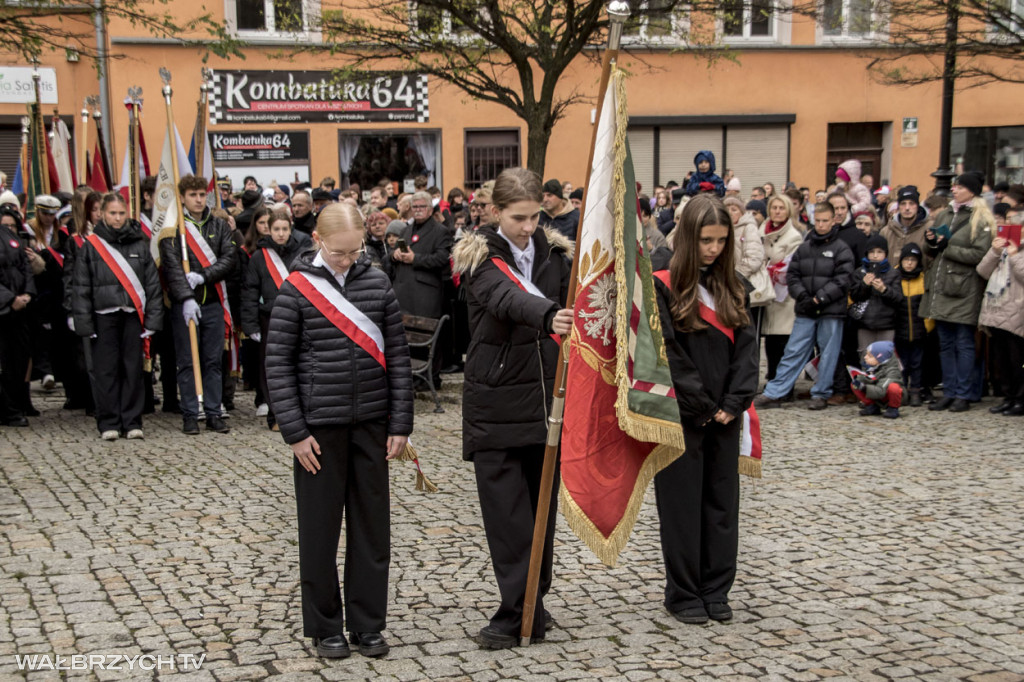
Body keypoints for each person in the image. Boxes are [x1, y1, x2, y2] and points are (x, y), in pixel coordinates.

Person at [265, 202, 412, 660]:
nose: (350, 259)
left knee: (372, 532)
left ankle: (368, 624)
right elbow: (277, 366)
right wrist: (293, 431)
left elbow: (400, 360)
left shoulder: (377, 281)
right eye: (341, 252)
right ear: (318, 242)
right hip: (318, 431)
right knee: (319, 531)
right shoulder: (295, 290)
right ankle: (325, 625)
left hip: (371, 424)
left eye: (357, 250)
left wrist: (401, 424)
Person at [451, 167, 572, 648]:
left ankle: (530, 606)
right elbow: (507, 299)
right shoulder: (478, 258)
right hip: (497, 403)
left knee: (541, 511)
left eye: (535, 216)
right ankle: (515, 611)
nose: (528, 227)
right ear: (495, 211)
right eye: (518, 217)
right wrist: (549, 314)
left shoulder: (558, 256)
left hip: (548, 404)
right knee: (508, 520)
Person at [651, 194, 757, 625]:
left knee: (721, 505)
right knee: (681, 507)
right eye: (706, 240)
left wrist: (733, 403)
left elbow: (749, 352)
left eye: (720, 240)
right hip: (681, 413)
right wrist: (700, 403)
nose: (713, 248)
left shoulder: (736, 286)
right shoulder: (660, 284)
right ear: (688, 237)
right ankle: (683, 592)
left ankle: (717, 589)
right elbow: (665, 353)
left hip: (726, 415)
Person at [70, 193, 162, 440]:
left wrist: (152, 320)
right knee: (106, 370)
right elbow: (80, 286)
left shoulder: (139, 244)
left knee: (133, 370)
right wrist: (83, 323)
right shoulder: (92, 245)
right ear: (102, 214)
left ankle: (132, 421)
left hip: (133, 316)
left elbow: (152, 285)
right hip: (103, 316)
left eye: (121, 213)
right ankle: (109, 421)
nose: (117, 218)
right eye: (112, 213)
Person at [754, 202, 855, 410]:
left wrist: (820, 298)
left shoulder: (841, 248)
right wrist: (802, 296)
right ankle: (775, 392)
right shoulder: (805, 247)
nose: (820, 225)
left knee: (828, 353)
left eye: (825, 221)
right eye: (817, 220)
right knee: (793, 351)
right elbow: (792, 275)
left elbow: (843, 279)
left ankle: (821, 393)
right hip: (806, 308)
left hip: (830, 310)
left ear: (833, 220)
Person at [158, 174, 238, 434]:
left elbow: (228, 259)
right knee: (187, 361)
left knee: (213, 361)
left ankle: (214, 412)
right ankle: (190, 414)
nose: (198, 199)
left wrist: (204, 276)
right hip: (186, 305)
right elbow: (171, 268)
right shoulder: (173, 229)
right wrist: (186, 297)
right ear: (182, 197)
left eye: (202, 194)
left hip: (213, 301)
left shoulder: (219, 225)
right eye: (192, 195)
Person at [921, 172, 994, 413]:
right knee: (945, 343)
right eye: (954, 185)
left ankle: (963, 393)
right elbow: (931, 250)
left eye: (959, 186)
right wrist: (931, 241)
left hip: (965, 289)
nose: (954, 189)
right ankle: (949, 392)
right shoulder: (945, 213)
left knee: (963, 343)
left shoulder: (981, 218)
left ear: (971, 191)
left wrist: (947, 247)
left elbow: (979, 255)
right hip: (942, 287)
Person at [243, 209, 306, 431]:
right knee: (272, 368)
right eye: (276, 229)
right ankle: (276, 415)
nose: (281, 234)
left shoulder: (301, 253)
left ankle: (299, 411)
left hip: (298, 317)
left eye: (285, 229)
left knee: (298, 365)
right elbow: (250, 290)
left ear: (291, 229)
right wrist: (250, 325)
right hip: (269, 317)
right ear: (269, 230)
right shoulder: (260, 257)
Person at [976, 229, 1024, 415]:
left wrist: (1014, 256)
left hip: (1017, 313)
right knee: (1001, 359)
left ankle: (1020, 399)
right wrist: (994, 252)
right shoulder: (1002, 249)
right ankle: (1008, 397)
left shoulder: (1017, 252)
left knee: (1017, 361)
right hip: (997, 311)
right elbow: (982, 271)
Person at [760, 194, 804, 389]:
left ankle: (785, 384)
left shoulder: (793, 236)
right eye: (774, 207)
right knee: (769, 342)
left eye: (781, 208)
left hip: (783, 295)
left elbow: (788, 265)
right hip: (766, 294)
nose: (777, 211)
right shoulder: (762, 230)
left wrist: (767, 266)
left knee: (781, 342)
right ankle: (772, 379)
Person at [0, 205, 35, 427]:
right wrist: (9, 299)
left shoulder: (13, 239)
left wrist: (28, 294)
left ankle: (14, 404)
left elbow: (26, 268)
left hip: (19, 311)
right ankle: (7, 410)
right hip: (4, 308)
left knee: (19, 361)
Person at [848, 234, 903, 353]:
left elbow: (898, 299)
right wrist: (864, 284)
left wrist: (884, 289)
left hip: (887, 325)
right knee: (866, 357)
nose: (875, 255)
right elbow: (854, 296)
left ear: (886, 254)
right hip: (865, 325)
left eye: (879, 251)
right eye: (871, 251)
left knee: (885, 359)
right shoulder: (859, 272)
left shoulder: (893, 273)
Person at [894, 244, 933, 407]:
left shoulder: (923, 279)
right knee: (902, 363)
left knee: (917, 363)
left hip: (919, 330)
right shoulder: (894, 278)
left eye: (913, 260)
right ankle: (901, 391)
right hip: (900, 329)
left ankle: (916, 390)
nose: (909, 263)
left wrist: (928, 326)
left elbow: (928, 305)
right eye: (906, 260)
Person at [850, 341, 903, 419]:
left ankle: (893, 408)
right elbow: (868, 379)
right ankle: (872, 406)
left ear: (880, 358)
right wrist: (859, 378)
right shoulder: (870, 366)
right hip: (875, 393)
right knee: (854, 384)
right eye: (866, 354)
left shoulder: (893, 371)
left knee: (894, 387)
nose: (865, 357)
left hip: (886, 395)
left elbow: (882, 390)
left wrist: (864, 387)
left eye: (870, 356)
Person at [880, 185, 932, 258]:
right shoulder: (886, 232)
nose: (907, 208)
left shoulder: (930, 228)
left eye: (911, 203)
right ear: (898, 207)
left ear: (917, 206)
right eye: (903, 203)